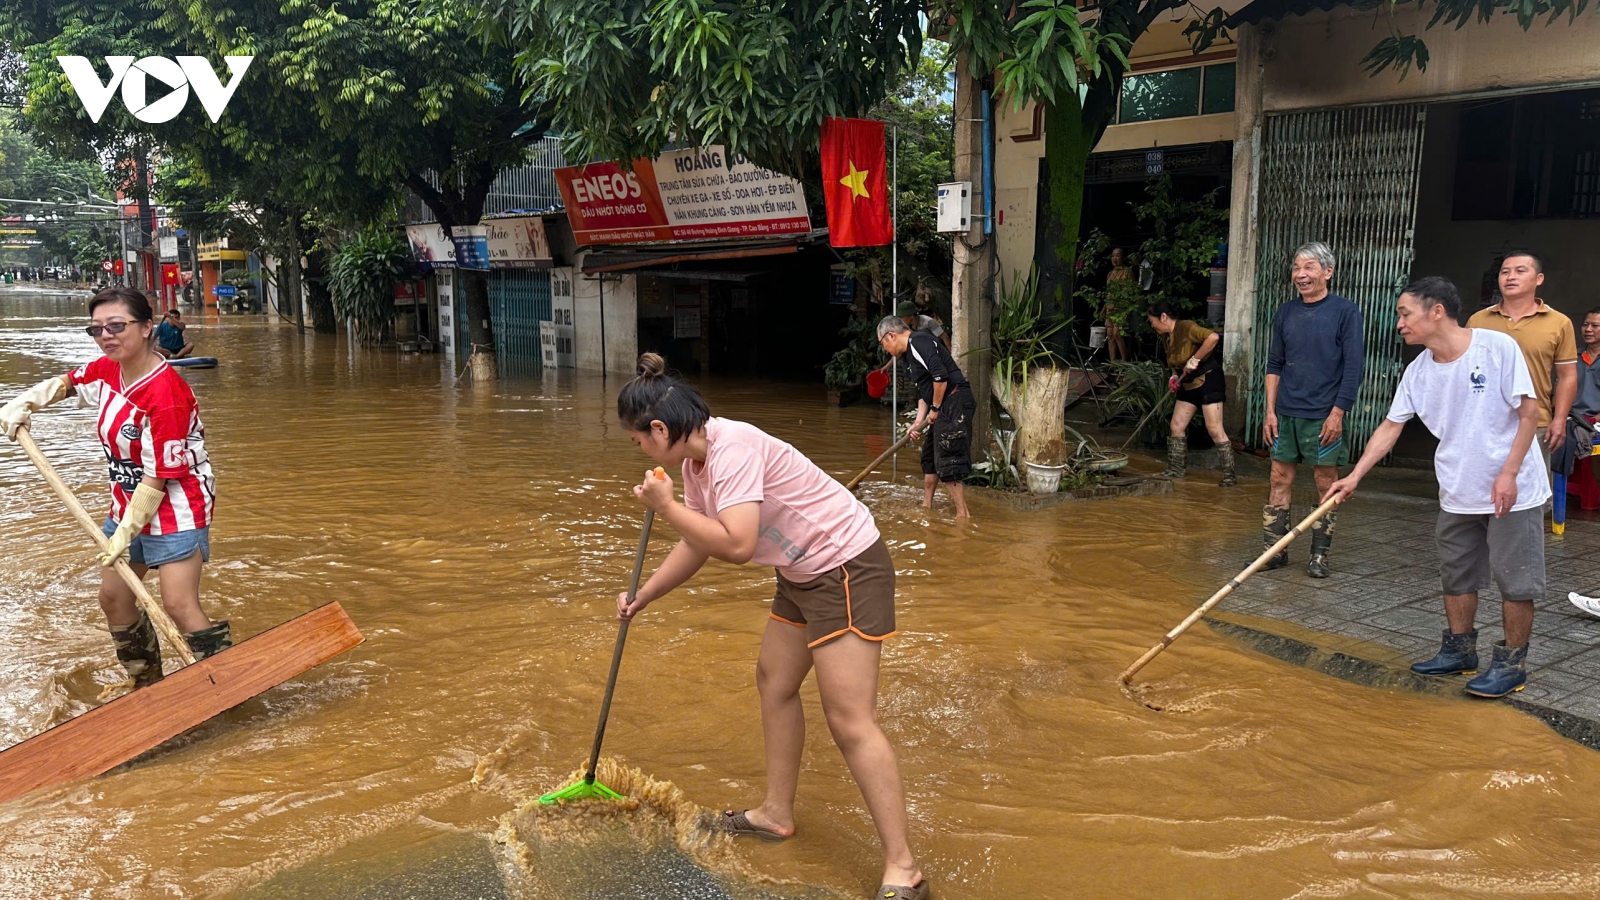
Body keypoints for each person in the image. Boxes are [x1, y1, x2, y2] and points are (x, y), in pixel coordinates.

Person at [614, 353, 928, 900]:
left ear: (659, 429)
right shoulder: (695, 466)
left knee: (849, 718)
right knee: (774, 680)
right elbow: (699, 541)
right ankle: (776, 814)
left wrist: (664, 508)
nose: (638, 450)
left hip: (845, 565)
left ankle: (904, 869)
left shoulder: (732, 449)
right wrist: (644, 596)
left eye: (638, 440)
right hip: (801, 570)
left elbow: (735, 545)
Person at [1326, 277, 1547, 698]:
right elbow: (1391, 427)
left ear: (1437, 311)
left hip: (1512, 491)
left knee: (1515, 580)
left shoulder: (1496, 348)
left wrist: (1509, 473)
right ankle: (1460, 650)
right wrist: (1355, 475)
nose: (1400, 325)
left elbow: (1528, 413)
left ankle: (1512, 664)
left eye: (1405, 314)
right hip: (1458, 489)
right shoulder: (1418, 371)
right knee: (1457, 573)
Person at [0, 286, 227, 688]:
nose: (107, 336)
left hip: (176, 504)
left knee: (177, 603)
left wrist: (128, 528)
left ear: (145, 328)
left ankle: (226, 682)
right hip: (127, 502)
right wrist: (27, 403)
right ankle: (147, 682)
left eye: (117, 326)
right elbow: (70, 382)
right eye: (97, 329)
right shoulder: (110, 369)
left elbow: (159, 476)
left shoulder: (165, 394)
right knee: (115, 599)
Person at [1262, 241, 1364, 578]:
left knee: (1326, 482)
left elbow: (1353, 368)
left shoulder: (1345, 312)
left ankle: (1319, 556)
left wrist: (1338, 413)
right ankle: (1273, 553)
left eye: (1309, 267)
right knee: (1278, 477)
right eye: (1296, 268)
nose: (1300, 274)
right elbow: (1274, 364)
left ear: (1328, 272)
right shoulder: (1285, 312)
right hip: (1286, 413)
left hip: (1323, 415)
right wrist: (1270, 412)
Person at [1466, 251, 1578, 476]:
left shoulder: (1559, 323)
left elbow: (1567, 375)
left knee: (1527, 498)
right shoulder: (1478, 320)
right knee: (1481, 489)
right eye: (1505, 272)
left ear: (1539, 279)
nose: (1510, 277)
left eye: (1520, 271)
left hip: (1535, 422)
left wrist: (1559, 420)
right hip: (1484, 421)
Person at [877, 316, 974, 518]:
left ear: (891, 336)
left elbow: (940, 377)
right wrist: (918, 422)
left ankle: (962, 515)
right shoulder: (908, 358)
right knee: (930, 458)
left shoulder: (919, 342)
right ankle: (926, 506)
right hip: (941, 405)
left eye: (883, 344)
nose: (885, 349)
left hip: (954, 401)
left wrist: (936, 408)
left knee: (947, 460)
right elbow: (924, 391)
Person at [1147, 301, 1235, 487]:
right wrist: (1173, 376)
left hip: (1208, 380)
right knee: (1177, 425)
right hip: (1188, 383)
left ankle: (1229, 474)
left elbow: (1212, 337)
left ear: (1163, 317)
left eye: (1152, 321)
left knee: (1214, 429)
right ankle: (1176, 469)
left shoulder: (1186, 327)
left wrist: (1195, 359)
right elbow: (1173, 362)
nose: (1152, 325)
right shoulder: (1166, 337)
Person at [1104, 247, 1133, 362]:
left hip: (1121, 308)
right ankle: (1113, 364)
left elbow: (1131, 293)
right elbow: (1108, 293)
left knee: (1117, 335)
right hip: (1109, 308)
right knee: (1110, 335)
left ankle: (1124, 362)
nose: (1114, 258)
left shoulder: (1127, 272)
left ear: (1123, 257)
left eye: (1117, 255)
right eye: (1113, 256)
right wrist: (1103, 308)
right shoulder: (1111, 273)